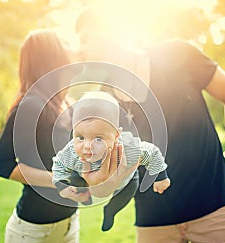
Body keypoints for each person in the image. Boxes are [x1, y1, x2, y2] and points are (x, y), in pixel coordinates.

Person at [75, 6, 225, 243]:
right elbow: (110, 168)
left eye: (85, 40)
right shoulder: (104, 98)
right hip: (154, 221)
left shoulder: (177, 53)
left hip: (214, 206)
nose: (80, 51)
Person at [0, 29, 90, 243]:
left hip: (68, 223)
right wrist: (58, 179)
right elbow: (1, 165)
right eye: (63, 43)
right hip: (34, 232)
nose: (71, 47)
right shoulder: (32, 106)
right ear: (51, 56)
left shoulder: (64, 103)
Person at [52, 91, 171, 231]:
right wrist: (62, 185)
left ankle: (111, 211)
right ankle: (84, 196)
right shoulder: (72, 151)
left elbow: (151, 152)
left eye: (98, 138)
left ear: (116, 135)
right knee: (75, 180)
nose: (87, 146)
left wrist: (161, 176)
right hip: (82, 173)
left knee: (128, 191)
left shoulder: (128, 148)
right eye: (80, 136)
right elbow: (59, 163)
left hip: (126, 179)